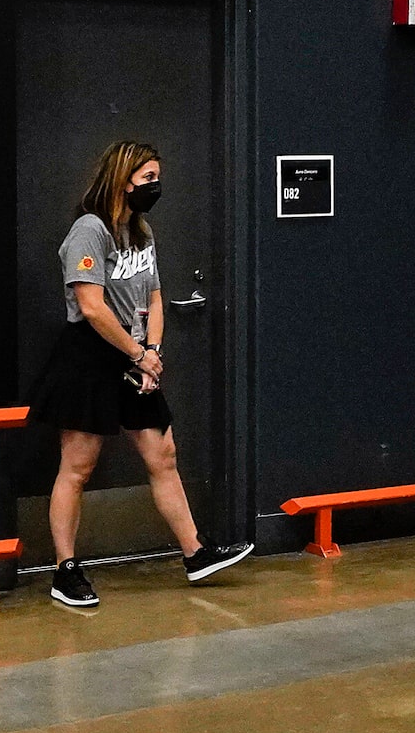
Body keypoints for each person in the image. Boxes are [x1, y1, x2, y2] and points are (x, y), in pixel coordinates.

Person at [31, 139, 253, 605]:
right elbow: (91, 307)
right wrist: (136, 353)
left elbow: (153, 296)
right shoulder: (89, 232)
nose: (155, 187)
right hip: (91, 357)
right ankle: (64, 571)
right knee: (78, 465)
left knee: (162, 454)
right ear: (123, 178)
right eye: (148, 178)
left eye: (158, 178)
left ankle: (195, 554)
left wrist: (151, 351)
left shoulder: (142, 232)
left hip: (135, 355)